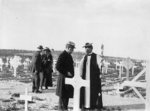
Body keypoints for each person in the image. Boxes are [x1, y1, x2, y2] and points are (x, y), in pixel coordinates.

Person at [80, 43, 103, 110]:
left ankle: (93, 106)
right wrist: (80, 75)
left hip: (93, 79)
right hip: (85, 79)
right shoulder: (84, 57)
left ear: (91, 48)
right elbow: (80, 67)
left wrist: (101, 71)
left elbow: (101, 65)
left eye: (88, 47)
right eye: (85, 48)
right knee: (85, 92)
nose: (86, 49)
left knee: (93, 93)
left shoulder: (96, 56)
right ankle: (86, 105)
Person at [56, 41, 75, 111]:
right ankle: (62, 109)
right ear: (68, 48)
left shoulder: (69, 55)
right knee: (63, 96)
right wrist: (67, 72)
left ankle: (64, 108)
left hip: (68, 80)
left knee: (66, 96)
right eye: (71, 49)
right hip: (63, 79)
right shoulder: (63, 55)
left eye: (73, 49)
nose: (72, 50)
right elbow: (58, 66)